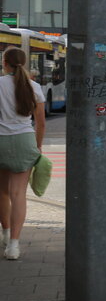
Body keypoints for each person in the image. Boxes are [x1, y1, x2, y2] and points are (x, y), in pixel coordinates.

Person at [0, 48, 46, 260]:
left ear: (5, 62)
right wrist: (37, 147)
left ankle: (5, 232)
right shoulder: (33, 86)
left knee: (2, 192)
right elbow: (41, 122)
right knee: (18, 194)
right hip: (24, 140)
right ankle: (13, 246)